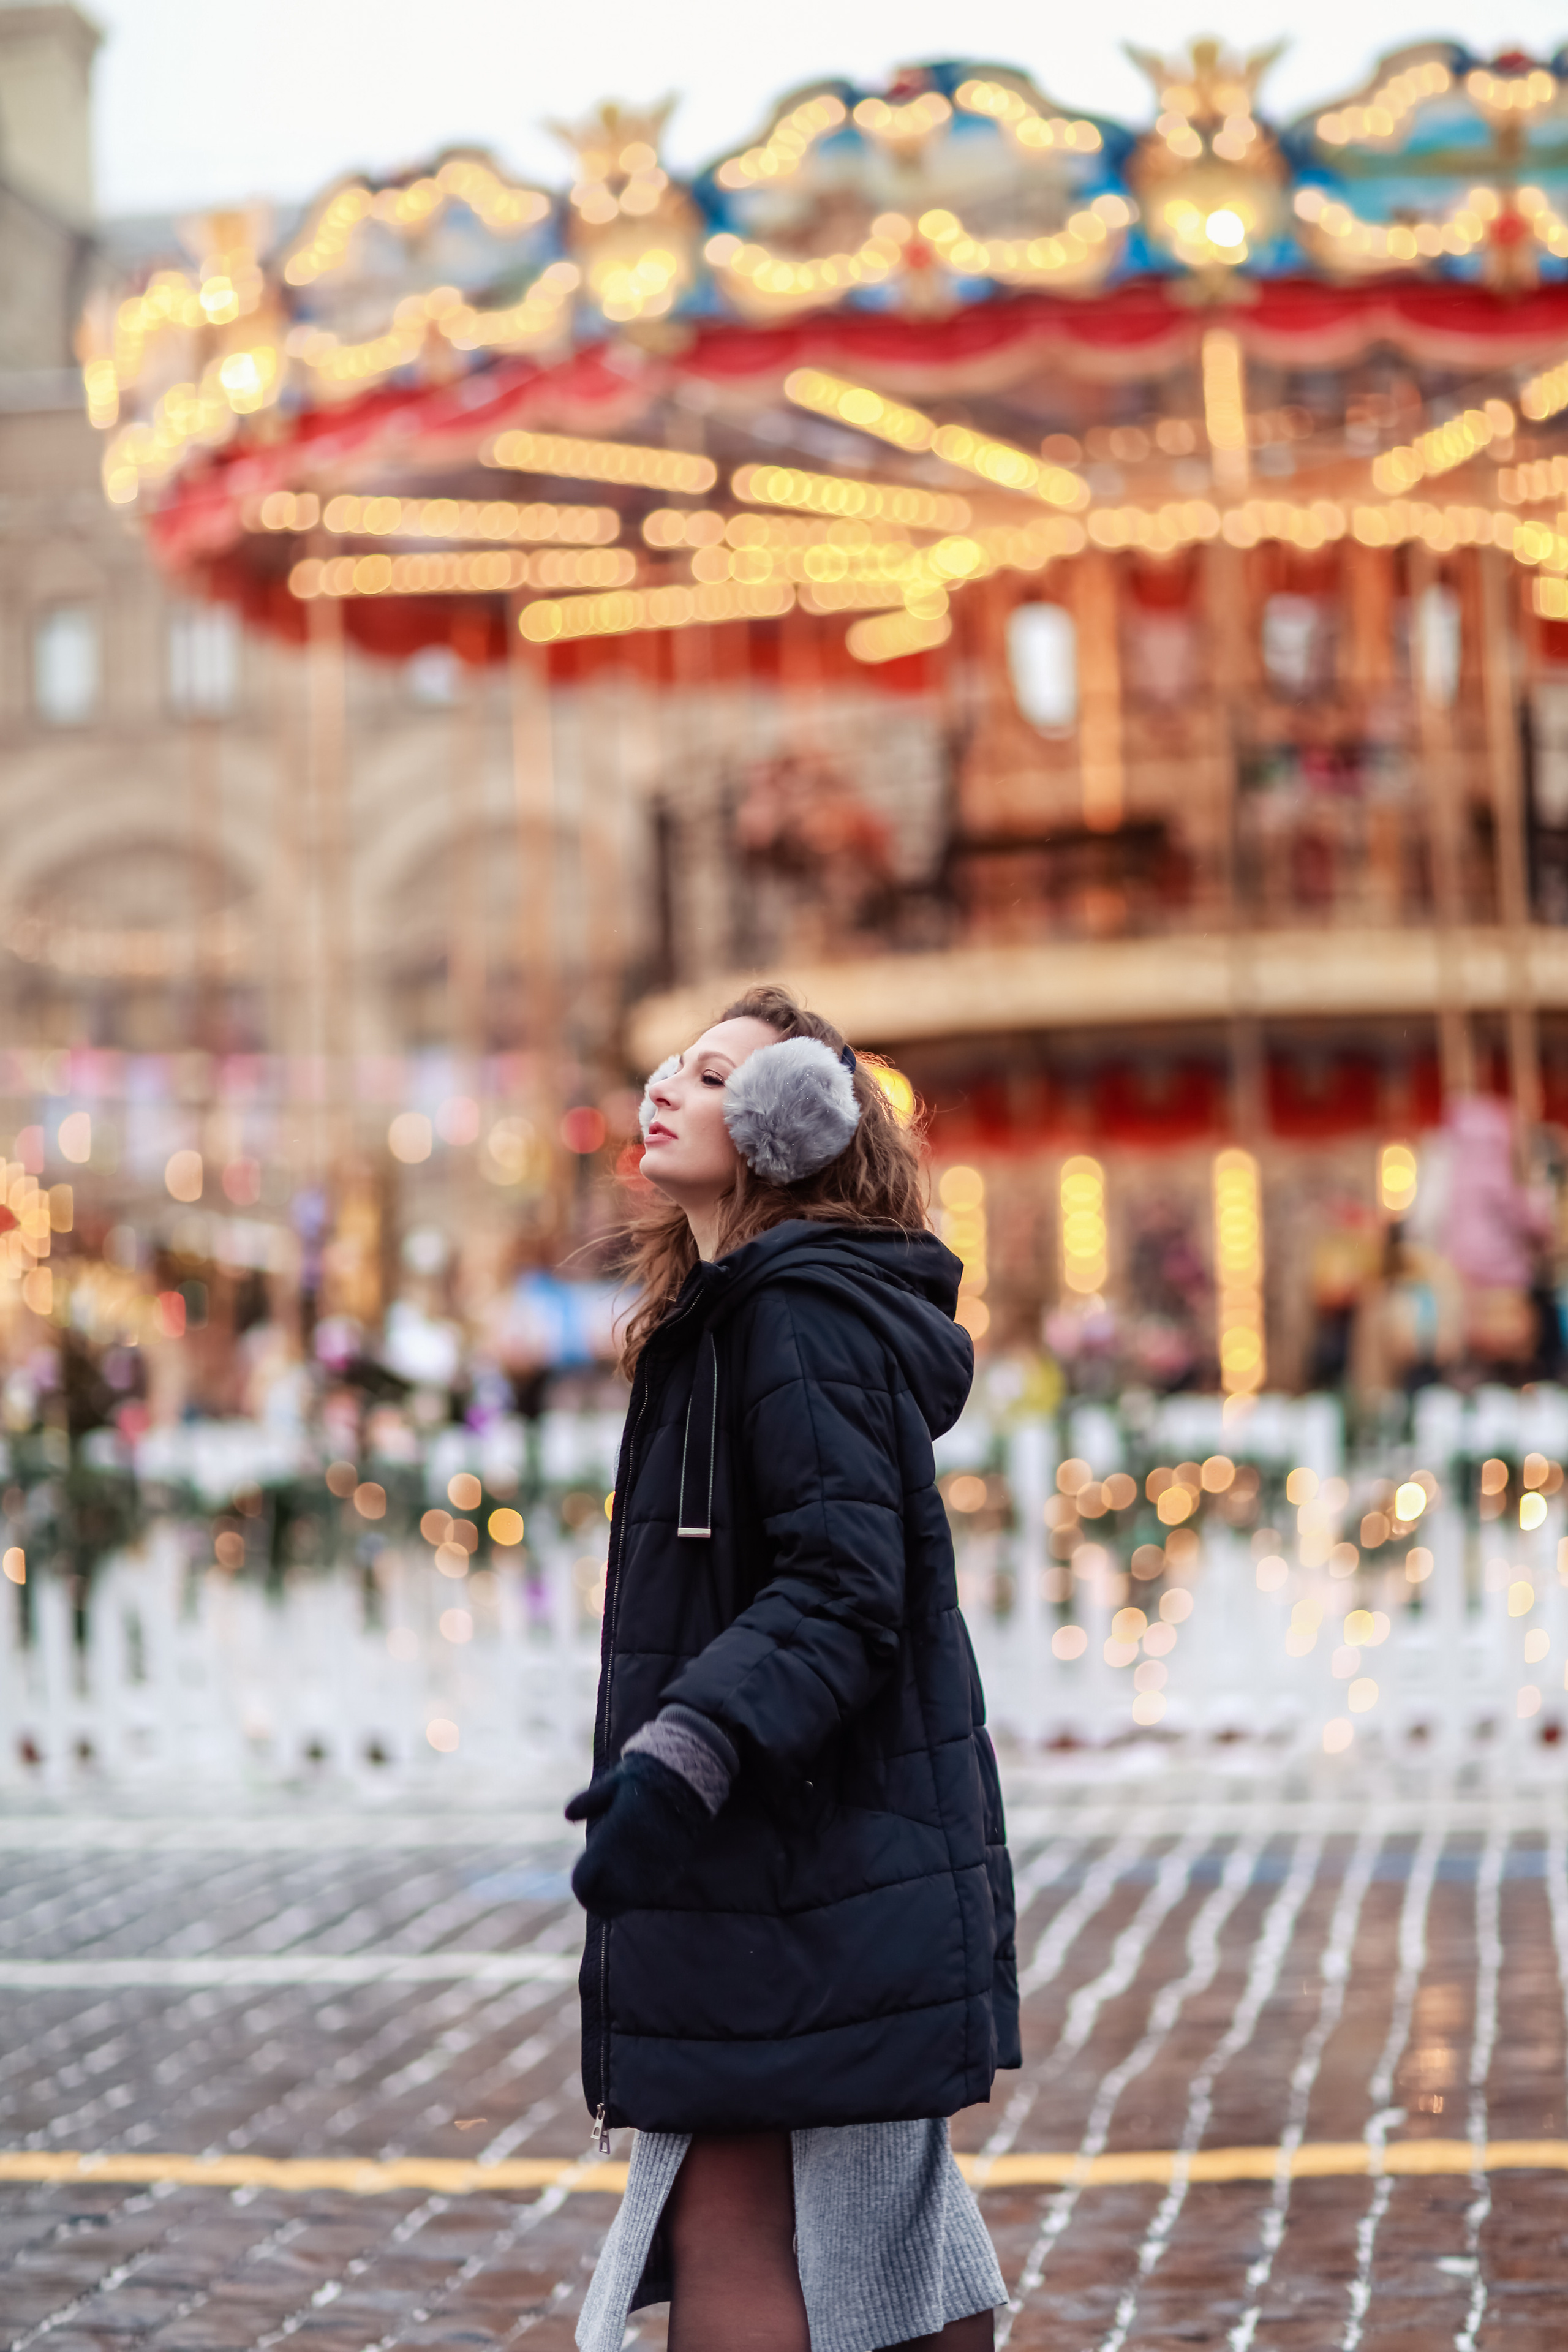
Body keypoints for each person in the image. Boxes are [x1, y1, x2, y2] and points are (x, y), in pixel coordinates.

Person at [566, 984, 1018, 2352]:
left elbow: (840, 1584)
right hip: (787, 1846)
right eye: (675, 1063)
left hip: (794, 1843)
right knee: (871, 2239)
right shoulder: (733, 1314)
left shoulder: (791, 1321)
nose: (667, 1086)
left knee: (733, 2222)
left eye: (714, 1077)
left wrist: (685, 1749)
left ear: (785, 1126)